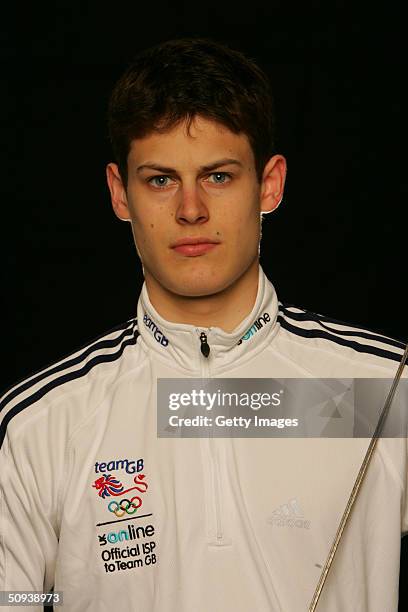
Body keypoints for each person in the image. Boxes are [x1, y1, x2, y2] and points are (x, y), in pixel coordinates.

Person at [0, 37, 407, 612]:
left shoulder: (383, 390)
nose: (191, 209)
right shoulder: (40, 424)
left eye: (218, 176)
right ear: (121, 194)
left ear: (269, 184)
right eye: (161, 180)